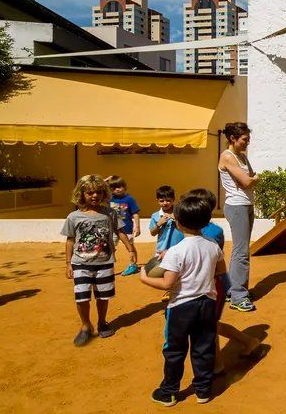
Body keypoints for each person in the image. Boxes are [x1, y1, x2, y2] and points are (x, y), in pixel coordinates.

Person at [140, 189, 225, 406]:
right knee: (203, 348)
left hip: (180, 307)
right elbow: (220, 272)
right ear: (206, 221)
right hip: (207, 303)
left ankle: (169, 392)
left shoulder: (176, 251)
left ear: (177, 222)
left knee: (175, 349)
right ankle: (203, 390)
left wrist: (144, 278)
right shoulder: (213, 246)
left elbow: (167, 283)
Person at [165, 189, 263, 372]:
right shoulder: (216, 231)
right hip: (217, 281)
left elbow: (180, 259)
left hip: (201, 286)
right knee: (210, 324)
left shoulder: (182, 232)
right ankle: (242, 346)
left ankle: (223, 361)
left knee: (208, 326)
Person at [61, 174, 137, 346]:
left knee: (103, 296)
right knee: (82, 297)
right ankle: (85, 325)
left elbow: (120, 232)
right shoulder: (74, 217)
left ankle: (102, 322)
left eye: (98, 192)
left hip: (104, 262)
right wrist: (68, 264)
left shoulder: (110, 213)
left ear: (104, 194)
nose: (94, 196)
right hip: (80, 263)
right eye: (89, 193)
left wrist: (130, 249)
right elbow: (70, 240)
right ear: (81, 195)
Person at [219, 121, 259, 313]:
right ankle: (238, 296)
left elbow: (249, 178)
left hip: (246, 205)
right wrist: (253, 180)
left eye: (248, 139)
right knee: (241, 251)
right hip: (237, 206)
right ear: (233, 138)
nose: (247, 142)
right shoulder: (227, 157)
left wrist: (251, 180)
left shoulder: (241, 157)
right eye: (244, 139)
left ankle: (235, 290)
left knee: (241, 250)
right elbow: (247, 181)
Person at [106, 175, 141, 276]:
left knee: (130, 247)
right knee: (110, 247)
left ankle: (133, 265)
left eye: (119, 186)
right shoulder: (109, 199)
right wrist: (107, 180)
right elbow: (99, 188)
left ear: (124, 187)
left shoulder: (129, 199)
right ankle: (108, 266)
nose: (117, 189)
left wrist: (137, 227)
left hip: (127, 229)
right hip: (113, 230)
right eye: (113, 187)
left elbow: (135, 213)